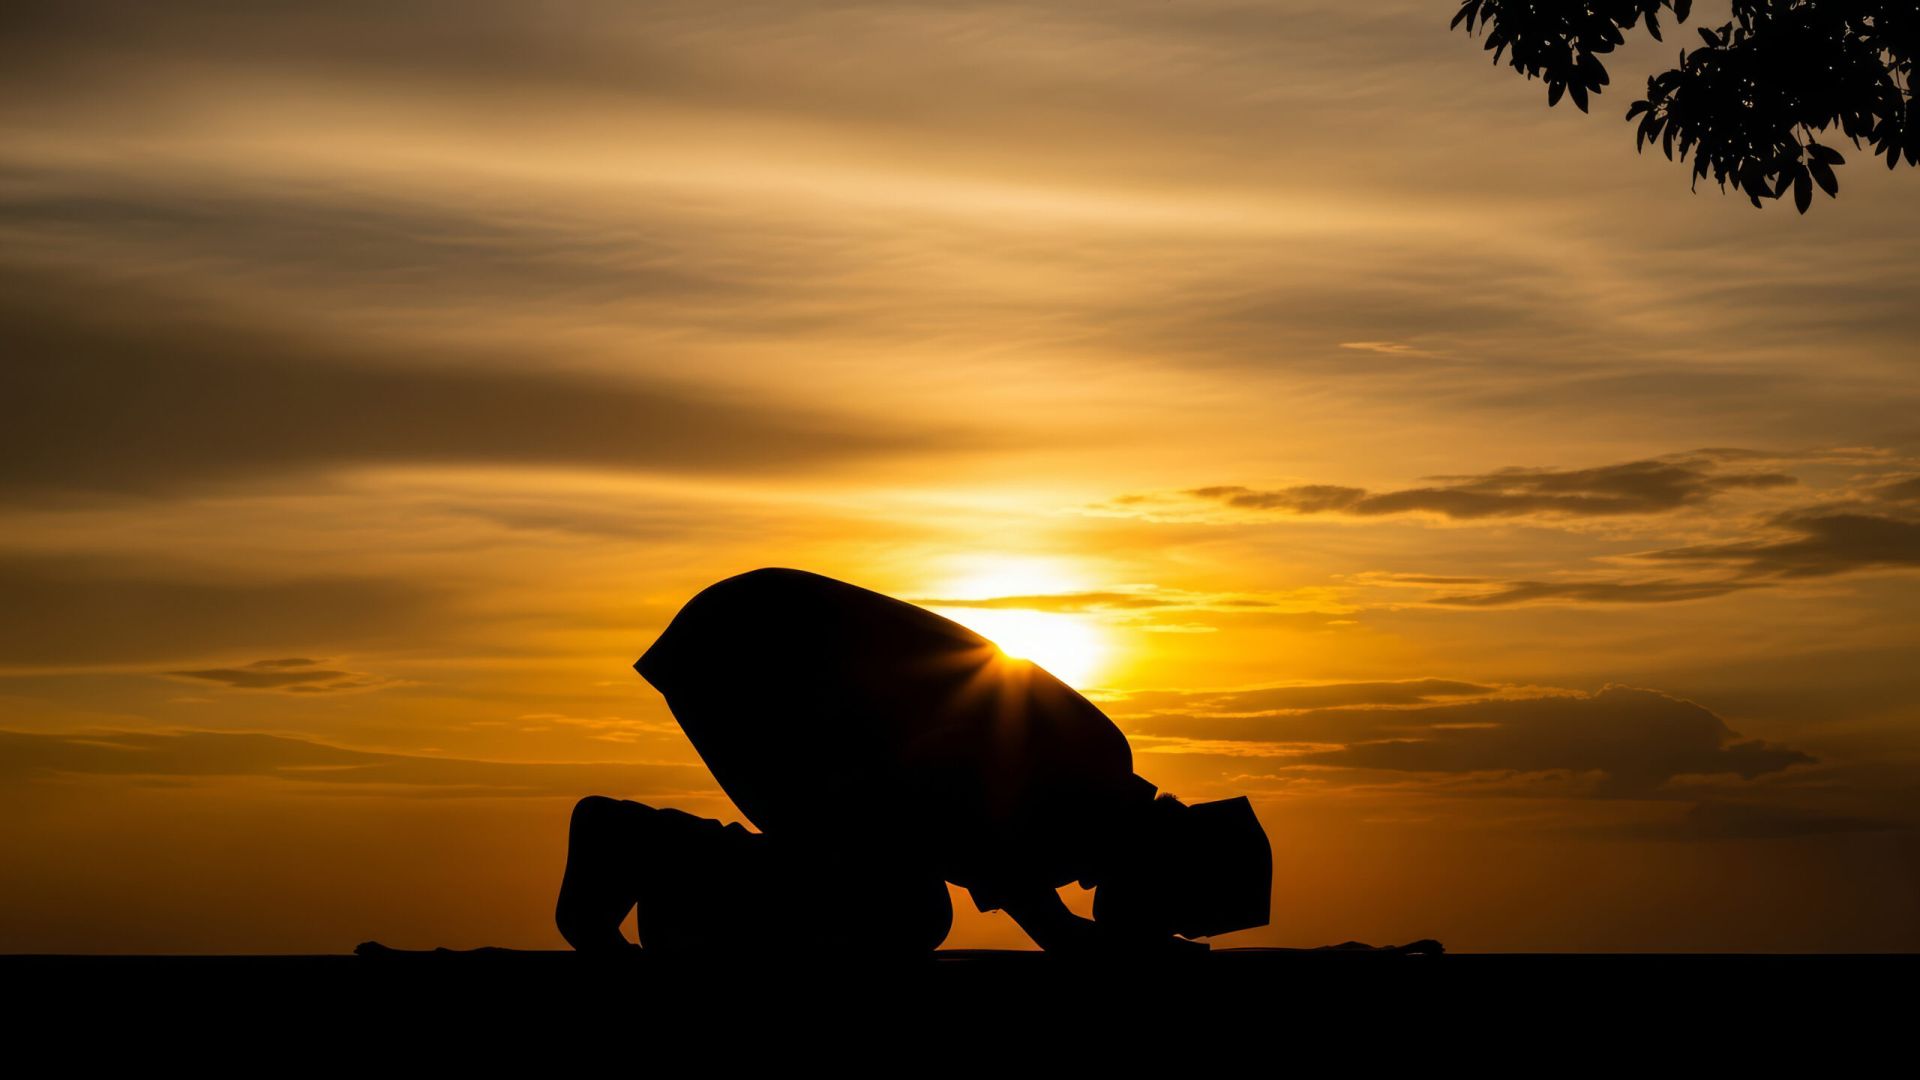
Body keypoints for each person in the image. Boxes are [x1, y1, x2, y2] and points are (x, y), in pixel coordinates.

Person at [555, 567, 1272, 957]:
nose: (1160, 926)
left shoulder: (1089, 798)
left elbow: (962, 819)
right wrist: (1055, 929)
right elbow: (942, 771)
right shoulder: (1093, 771)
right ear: (1170, 873)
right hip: (767, 644)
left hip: (765, 641)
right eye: (1176, 916)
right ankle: (639, 846)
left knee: (887, 898)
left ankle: (673, 882)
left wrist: (1056, 927)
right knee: (896, 905)